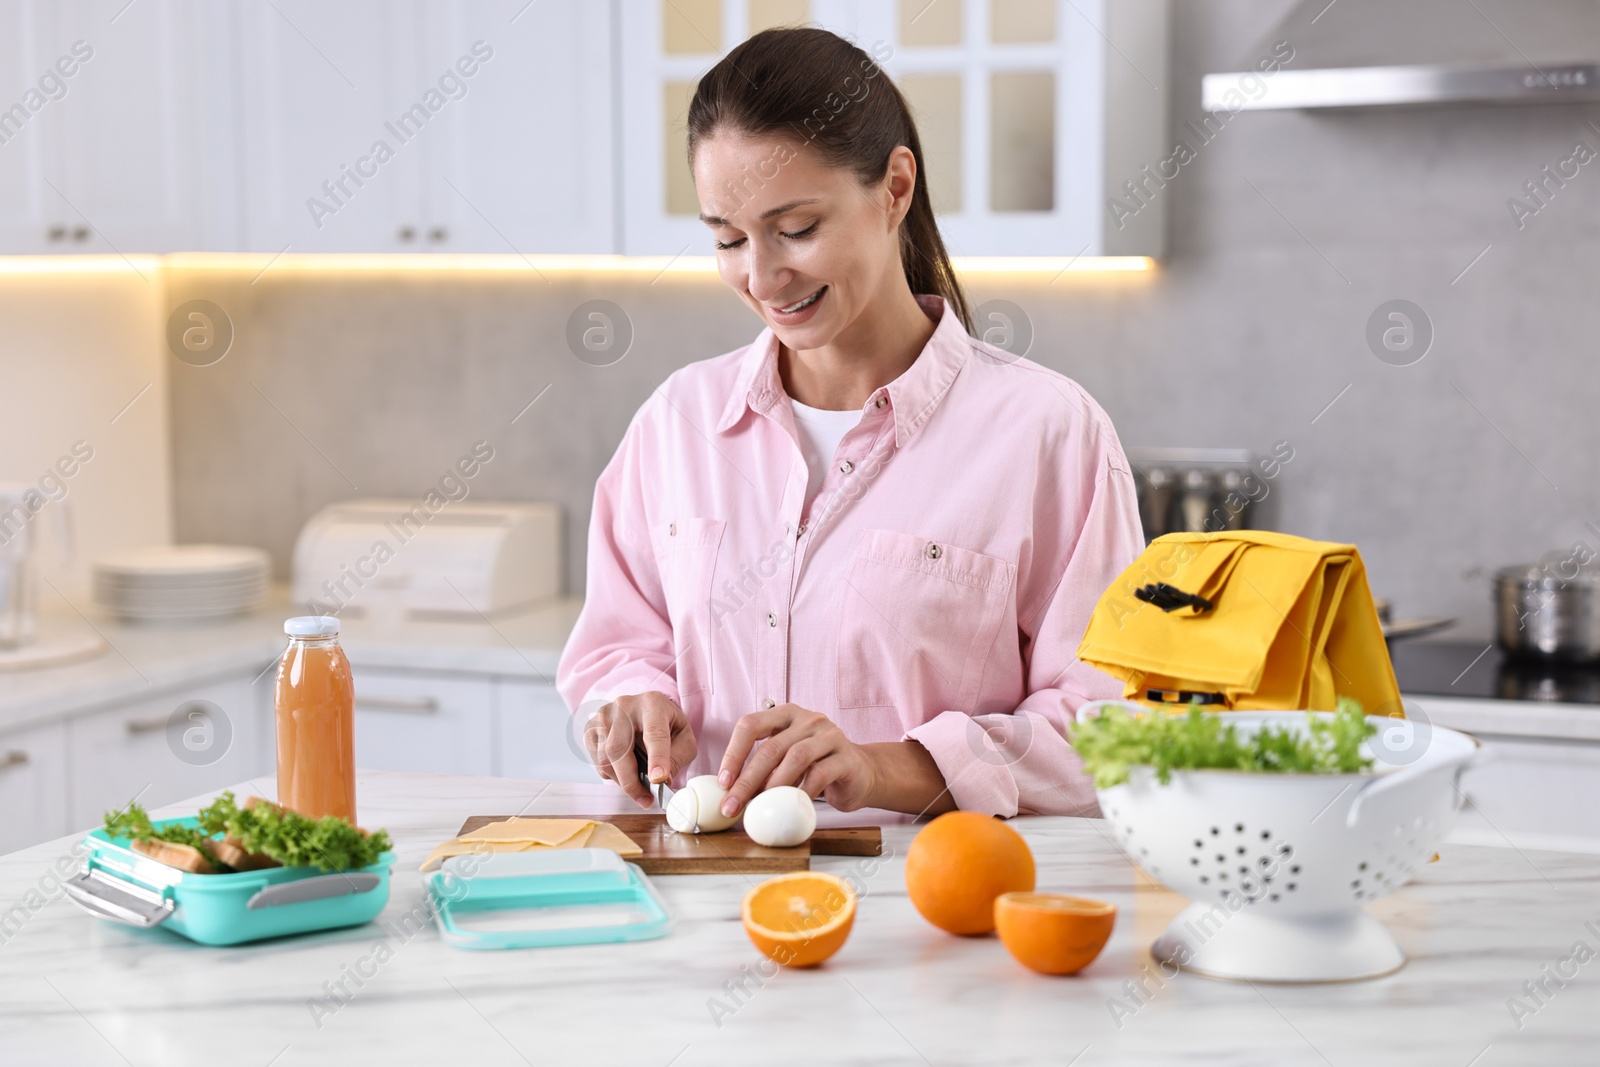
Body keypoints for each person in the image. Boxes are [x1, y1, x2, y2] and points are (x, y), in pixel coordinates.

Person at [556, 27, 1143, 821]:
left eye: (796, 229)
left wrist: (886, 766)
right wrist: (631, 698)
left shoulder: (1047, 433)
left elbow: (1112, 729)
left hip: (939, 908)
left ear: (895, 188)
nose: (761, 275)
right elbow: (618, 642)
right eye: (728, 238)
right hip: (709, 909)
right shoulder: (677, 423)